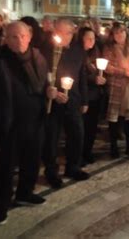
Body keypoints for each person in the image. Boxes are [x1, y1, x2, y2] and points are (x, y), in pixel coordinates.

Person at [0, 21, 48, 224]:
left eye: (23, 36)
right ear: (6, 39)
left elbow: (43, 84)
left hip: (35, 118)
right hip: (10, 122)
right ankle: (0, 206)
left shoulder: (37, 57)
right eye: (14, 37)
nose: (19, 41)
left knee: (32, 159)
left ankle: (25, 193)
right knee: (6, 167)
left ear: (30, 37)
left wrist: (50, 92)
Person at [42, 18, 90, 188]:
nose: (65, 36)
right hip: (52, 103)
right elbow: (40, 76)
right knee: (51, 138)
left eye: (68, 33)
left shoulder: (78, 50)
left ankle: (73, 166)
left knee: (77, 134)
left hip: (73, 100)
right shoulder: (45, 50)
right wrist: (51, 91)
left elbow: (82, 76)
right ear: (54, 32)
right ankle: (51, 171)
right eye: (60, 32)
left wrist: (84, 99)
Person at [103, 22, 129, 159]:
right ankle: (114, 147)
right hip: (116, 87)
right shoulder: (109, 49)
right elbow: (107, 67)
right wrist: (124, 72)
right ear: (113, 35)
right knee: (115, 119)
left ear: (126, 33)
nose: (119, 35)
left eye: (122, 32)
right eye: (116, 33)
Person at [79, 27, 107, 165]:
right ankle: (79, 154)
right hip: (83, 96)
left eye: (93, 38)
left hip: (95, 95)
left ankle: (88, 151)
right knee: (81, 128)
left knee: (91, 127)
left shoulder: (96, 52)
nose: (91, 41)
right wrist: (93, 80)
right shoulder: (77, 54)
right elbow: (80, 76)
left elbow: (101, 70)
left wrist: (102, 78)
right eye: (88, 38)